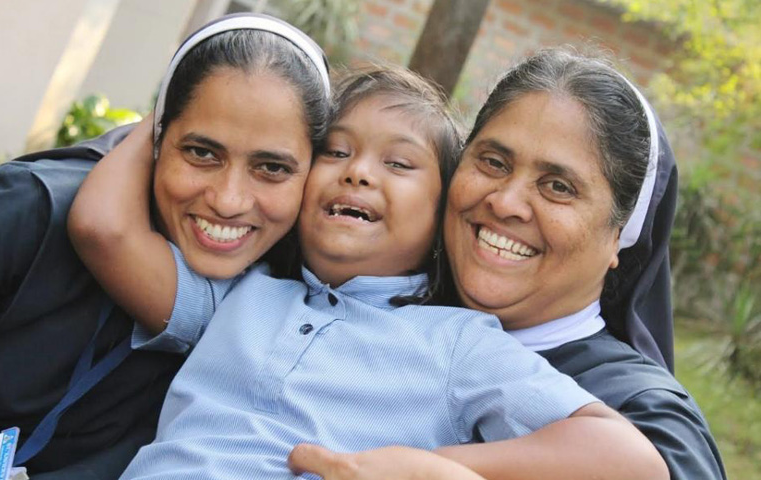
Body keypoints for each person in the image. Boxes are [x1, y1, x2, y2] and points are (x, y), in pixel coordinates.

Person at [69, 62, 667, 479]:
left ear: (439, 210)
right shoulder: (240, 294)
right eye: (335, 151)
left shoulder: (456, 343)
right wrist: (177, 112)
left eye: (400, 163)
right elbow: (102, 229)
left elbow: (631, 462)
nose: (357, 173)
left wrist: (429, 469)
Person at [290, 48, 726, 480]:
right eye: (494, 163)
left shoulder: (648, 425)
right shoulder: (356, 299)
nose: (505, 202)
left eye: (558, 186)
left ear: (620, 235)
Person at [0, 13, 330, 480]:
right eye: (201, 152)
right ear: (155, 138)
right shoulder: (31, 210)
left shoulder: (281, 318)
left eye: (271, 167)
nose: (228, 201)